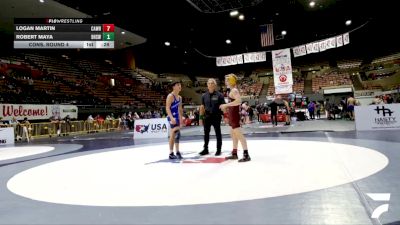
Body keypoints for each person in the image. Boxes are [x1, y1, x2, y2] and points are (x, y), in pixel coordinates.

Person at [220, 74, 251, 162]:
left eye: (227, 80)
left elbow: (239, 101)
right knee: (233, 134)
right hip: (232, 115)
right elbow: (234, 102)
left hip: (234, 115)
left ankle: (246, 155)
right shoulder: (231, 91)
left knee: (239, 135)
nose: (225, 82)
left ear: (231, 81)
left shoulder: (234, 90)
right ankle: (234, 153)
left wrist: (226, 105)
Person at [199, 78, 225, 156]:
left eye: (212, 83)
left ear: (215, 85)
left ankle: (218, 150)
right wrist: (200, 118)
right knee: (206, 133)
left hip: (216, 116)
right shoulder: (204, 95)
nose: (210, 85)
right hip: (207, 117)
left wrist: (225, 116)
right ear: (207, 85)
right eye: (209, 83)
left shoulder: (219, 95)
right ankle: (205, 149)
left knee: (218, 133)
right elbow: (202, 107)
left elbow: (223, 106)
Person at [166, 81, 183, 160]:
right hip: (171, 116)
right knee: (174, 132)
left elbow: (179, 109)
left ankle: (177, 152)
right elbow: (167, 108)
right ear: (173, 87)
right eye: (178, 85)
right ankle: (171, 152)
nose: (180, 86)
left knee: (177, 134)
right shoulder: (170, 96)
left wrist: (181, 120)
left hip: (177, 116)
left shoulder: (180, 97)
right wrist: (172, 118)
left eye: (180, 85)